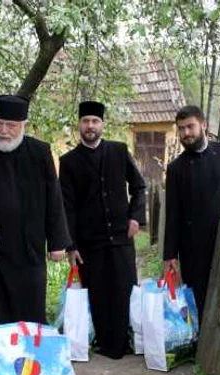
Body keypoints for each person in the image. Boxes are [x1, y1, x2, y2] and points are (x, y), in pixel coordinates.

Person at [0, 95, 71, 330]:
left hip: (27, 250)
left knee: (28, 311)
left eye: (11, 126)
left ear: (23, 125)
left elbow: (53, 198)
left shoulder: (39, 152)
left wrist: (57, 242)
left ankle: (29, 361)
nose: (3, 131)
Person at [59, 100, 146, 359]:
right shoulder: (69, 161)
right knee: (98, 293)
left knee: (124, 289)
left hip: (121, 237)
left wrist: (135, 217)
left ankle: (126, 341)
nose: (90, 126)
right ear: (79, 125)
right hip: (89, 242)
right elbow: (67, 206)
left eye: (95, 121)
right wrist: (71, 245)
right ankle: (106, 344)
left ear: (103, 125)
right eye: (86, 121)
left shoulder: (119, 151)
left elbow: (139, 186)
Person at [162, 105, 220, 320]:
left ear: (203, 125)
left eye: (190, 127)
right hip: (193, 249)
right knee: (198, 300)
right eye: (181, 129)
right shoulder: (176, 168)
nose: (186, 134)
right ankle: (200, 348)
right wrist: (170, 254)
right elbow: (174, 213)